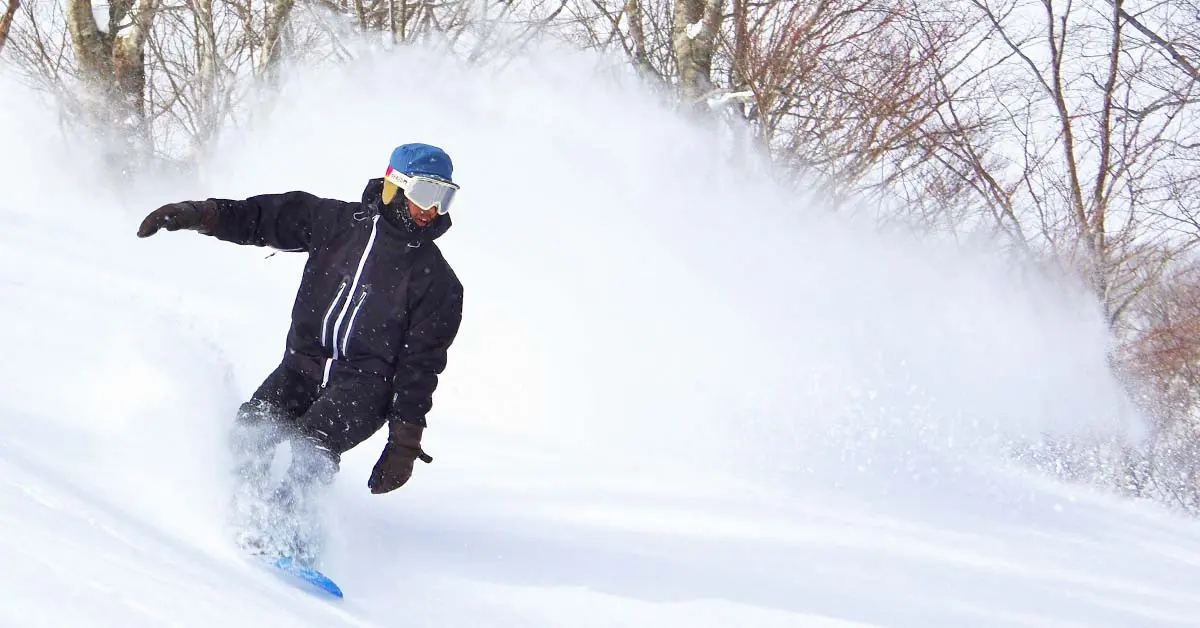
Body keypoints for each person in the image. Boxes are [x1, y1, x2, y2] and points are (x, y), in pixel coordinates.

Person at [136, 143, 464, 564]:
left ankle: (294, 545)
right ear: (394, 186)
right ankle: (237, 515)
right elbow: (261, 218)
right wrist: (196, 213)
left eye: (444, 197)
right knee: (251, 432)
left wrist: (403, 443)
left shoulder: (437, 282)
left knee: (306, 452)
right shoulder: (335, 223)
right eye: (425, 194)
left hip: (366, 388)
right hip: (303, 369)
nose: (431, 210)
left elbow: (421, 367)